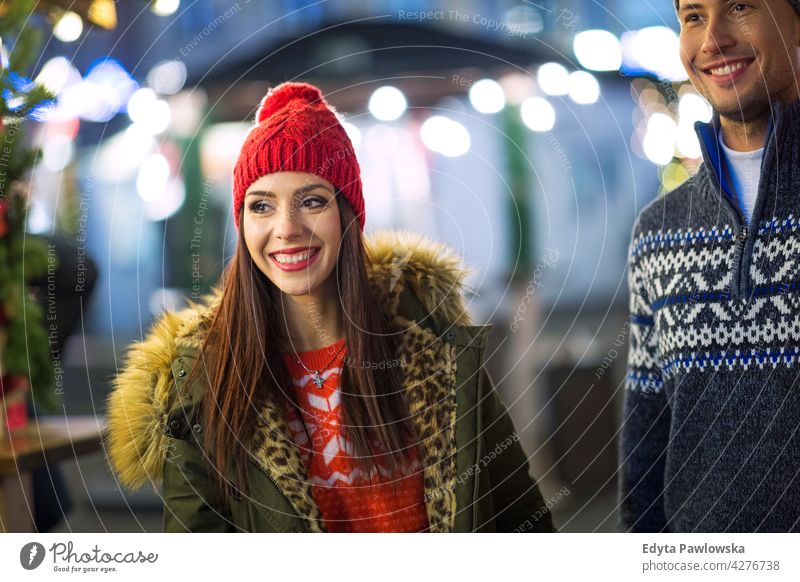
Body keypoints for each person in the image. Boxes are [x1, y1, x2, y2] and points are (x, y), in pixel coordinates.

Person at [105, 82, 554, 533]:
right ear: (242, 225)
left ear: (348, 215)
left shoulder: (436, 346)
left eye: (312, 201)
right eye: (262, 206)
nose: (286, 228)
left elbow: (524, 523)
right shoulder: (204, 378)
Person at [620, 0, 800, 532]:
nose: (712, 40)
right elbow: (645, 451)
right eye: (693, 16)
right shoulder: (659, 233)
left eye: (740, 6)